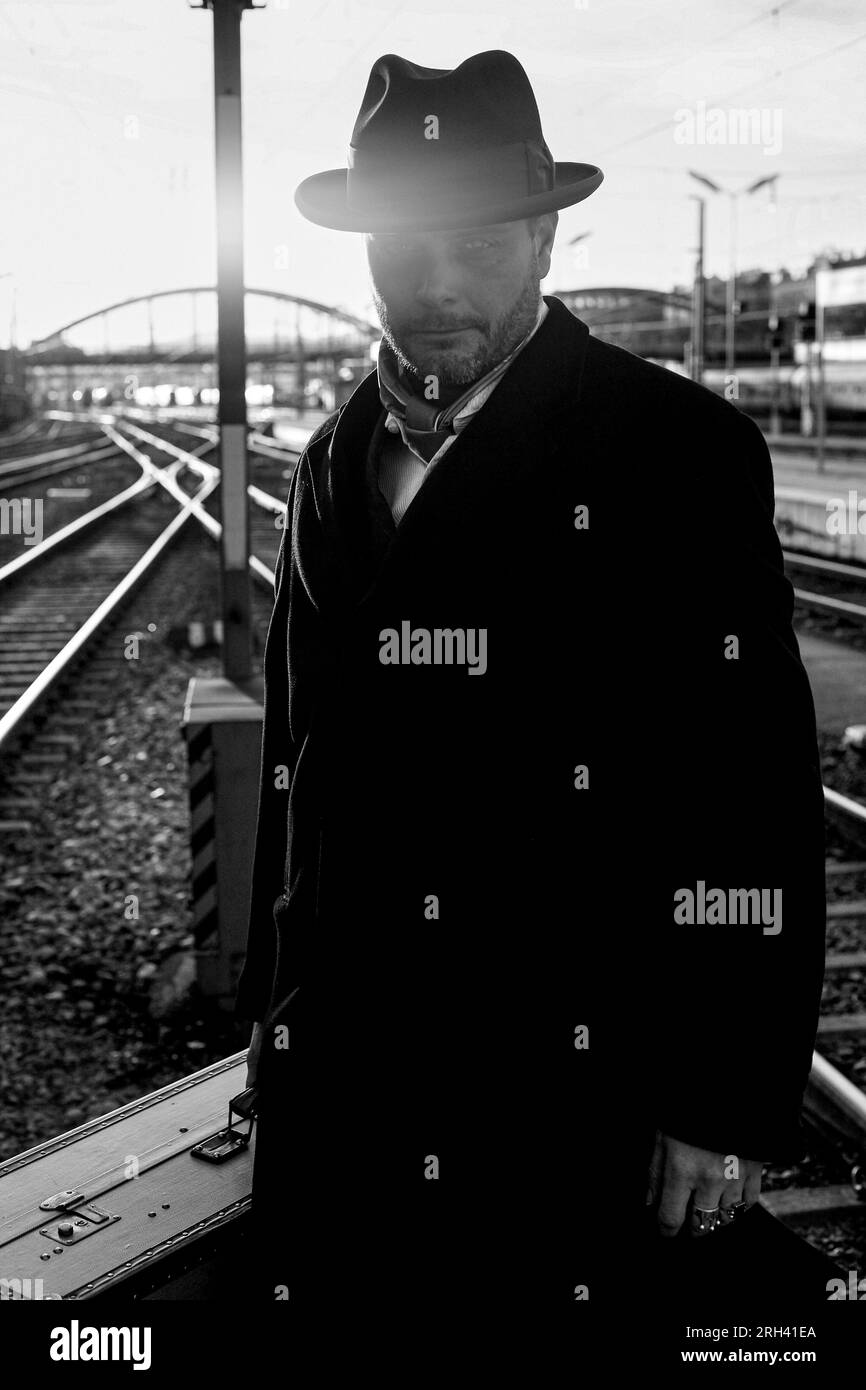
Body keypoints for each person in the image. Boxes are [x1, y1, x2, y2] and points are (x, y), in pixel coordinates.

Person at [236, 50, 830, 1320]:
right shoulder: (328, 463)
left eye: (478, 242)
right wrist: (268, 1022)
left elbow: (751, 800)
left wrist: (717, 1104)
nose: (434, 285)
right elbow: (301, 765)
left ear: (547, 237)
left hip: (565, 1099)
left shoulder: (670, 454)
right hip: (346, 1091)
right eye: (402, 244)